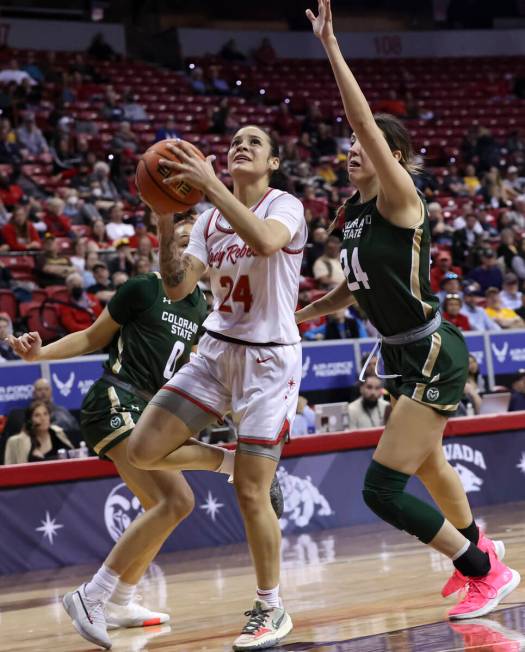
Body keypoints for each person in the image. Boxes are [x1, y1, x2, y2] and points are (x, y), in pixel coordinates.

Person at [297, 0, 519, 621]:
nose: (352, 149)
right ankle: (480, 543)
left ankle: (483, 571)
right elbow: (354, 289)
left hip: (429, 348)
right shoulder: (351, 215)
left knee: (381, 488)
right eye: (348, 147)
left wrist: (332, 50)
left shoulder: (400, 196)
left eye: (363, 144)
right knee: (429, 463)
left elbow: (363, 121)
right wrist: (301, 317)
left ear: (391, 154)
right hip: (402, 351)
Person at [7, 220, 281, 649]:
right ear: (164, 249)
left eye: (191, 241)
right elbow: (91, 337)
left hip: (153, 412)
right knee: (176, 499)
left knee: (170, 503)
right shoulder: (143, 288)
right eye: (176, 240)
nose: (183, 249)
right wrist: (40, 354)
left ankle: (120, 601)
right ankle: (92, 595)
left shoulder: (206, 312)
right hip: (116, 399)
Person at [126, 124, 306, 650]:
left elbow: (266, 241)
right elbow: (180, 286)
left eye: (254, 142)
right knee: (143, 448)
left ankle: (271, 608)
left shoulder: (285, 205)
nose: (240, 146)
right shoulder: (206, 219)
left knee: (254, 494)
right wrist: (165, 229)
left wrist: (211, 186)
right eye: (234, 143)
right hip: (217, 349)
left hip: (270, 360)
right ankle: (232, 460)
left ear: (272, 163)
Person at [4, 400, 73, 464]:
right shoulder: (20, 441)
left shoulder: (58, 433)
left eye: (45, 414)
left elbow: (72, 456)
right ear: (29, 421)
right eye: (37, 415)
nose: (43, 418)